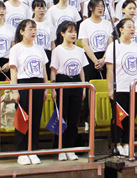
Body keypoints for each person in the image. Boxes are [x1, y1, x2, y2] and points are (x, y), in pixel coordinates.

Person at [9, 19, 48, 165]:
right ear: (21, 31)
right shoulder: (16, 49)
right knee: (22, 119)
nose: (33, 32)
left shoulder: (39, 48)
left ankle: (33, 150)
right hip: (23, 84)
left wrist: (46, 88)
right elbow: (13, 71)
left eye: (35, 29)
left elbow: (44, 70)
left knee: (35, 119)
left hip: (38, 84)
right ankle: (22, 151)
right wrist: (15, 90)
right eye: (30, 29)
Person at [105, 18, 137, 157]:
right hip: (119, 87)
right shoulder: (114, 46)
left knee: (131, 118)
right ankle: (116, 144)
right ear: (121, 29)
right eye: (129, 26)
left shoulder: (136, 46)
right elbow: (109, 69)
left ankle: (127, 143)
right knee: (118, 118)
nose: (132, 29)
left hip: (134, 88)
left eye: (134, 27)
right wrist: (110, 89)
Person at [50, 21, 87, 161]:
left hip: (76, 83)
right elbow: (53, 71)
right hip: (62, 82)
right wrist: (54, 89)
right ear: (62, 33)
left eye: (75, 31)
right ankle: (60, 148)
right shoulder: (57, 50)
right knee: (62, 118)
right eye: (70, 31)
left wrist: (83, 87)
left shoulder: (79, 50)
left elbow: (81, 70)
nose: (73, 34)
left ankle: (70, 149)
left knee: (73, 119)